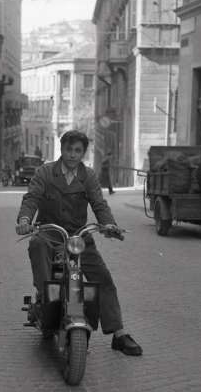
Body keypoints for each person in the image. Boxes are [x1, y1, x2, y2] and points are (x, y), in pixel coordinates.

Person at [15, 130, 142, 356]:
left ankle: (119, 333)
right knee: (36, 244)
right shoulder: (45, 172)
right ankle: (45, 298)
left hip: (78, 237)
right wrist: (25, 220)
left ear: (83, 153)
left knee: (103, 278)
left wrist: (109, 225)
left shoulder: (88, 176)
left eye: (77, 151)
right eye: (68, 150)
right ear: (61, 149)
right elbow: (31, 198)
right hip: (50, 233)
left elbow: (99, 204)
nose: (72, 155)